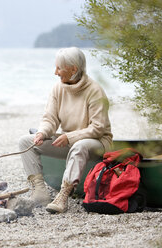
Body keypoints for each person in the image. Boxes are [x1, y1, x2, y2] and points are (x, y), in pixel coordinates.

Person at [19, 47, 113, 213]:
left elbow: (98, 128)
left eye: (59, 68)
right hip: (70, 141)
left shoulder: (95, 91)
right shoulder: (57, 88)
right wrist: (42, 133)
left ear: (73, 69)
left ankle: (63, 195)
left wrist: (70, 137)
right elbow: (50, 119)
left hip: (97, 143)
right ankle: (40, 192)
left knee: (80, 146)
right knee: (25, 141)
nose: (55, 72)